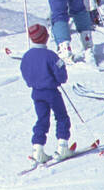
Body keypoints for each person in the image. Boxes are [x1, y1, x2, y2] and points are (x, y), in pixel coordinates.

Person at [20, 23, 72, 163]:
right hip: (51, 92)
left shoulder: (26, 57)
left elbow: (25, 72)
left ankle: (38, 149)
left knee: (42, 119)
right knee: (61, 117)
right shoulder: (51, 56)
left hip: (37, 93)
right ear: (46, 37)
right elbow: (61, 74)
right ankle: (62, 147)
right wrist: (59, 79)